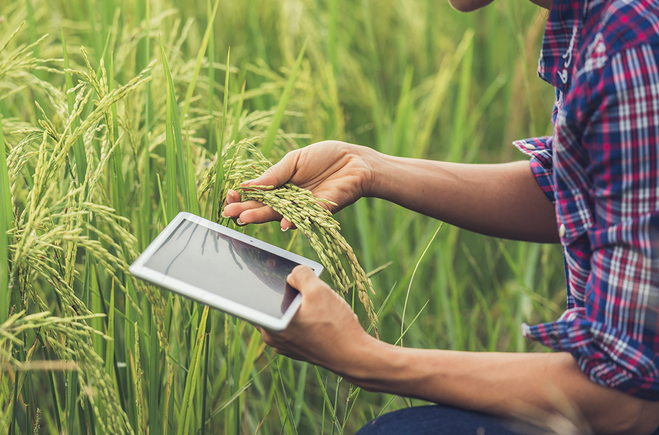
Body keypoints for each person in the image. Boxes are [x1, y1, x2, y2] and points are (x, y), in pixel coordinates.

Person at [222, 0, 659, 432]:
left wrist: (361, 357)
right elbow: (586, 196)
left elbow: (625, 402)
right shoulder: (598, 24)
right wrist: (368, 167)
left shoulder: (627, 40)